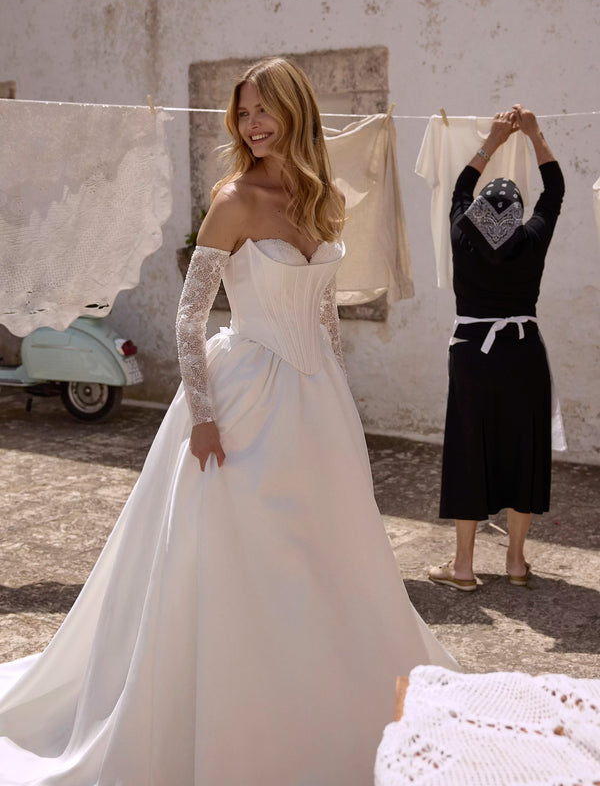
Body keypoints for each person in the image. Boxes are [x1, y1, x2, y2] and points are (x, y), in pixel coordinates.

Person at [0, 57, 456, 786]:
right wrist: (203, 418)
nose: (252, 125)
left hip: (316, 400)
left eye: (264, 109)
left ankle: (332, 690)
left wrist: (339, 396)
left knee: (329, 548)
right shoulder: (234, 200)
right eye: (243, 113)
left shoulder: (324, 198)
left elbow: (324, 311)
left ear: (297, 111)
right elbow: (189, 315)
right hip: (243, 396)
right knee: (245, 550)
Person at [429, 105, 565, 592]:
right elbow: (554, 192)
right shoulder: (531, 239)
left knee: (469, 450)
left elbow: (460, 189)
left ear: (477, 214)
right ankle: (515, 562)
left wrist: (492, 141)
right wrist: (534, 135)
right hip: (523, 354)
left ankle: (463, 568)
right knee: (524, 450)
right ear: (517, 216)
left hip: (472, 354)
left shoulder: (461, 234)